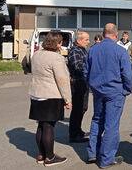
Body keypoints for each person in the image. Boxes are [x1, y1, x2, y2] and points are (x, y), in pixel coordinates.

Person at [85, 23, 132, 168]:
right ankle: (106, 159)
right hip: (114, 91)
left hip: (98, 91)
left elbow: (86, 71)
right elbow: (127, 75)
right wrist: (127, 89)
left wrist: (92, 86)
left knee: (97, 119)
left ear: (103, 33)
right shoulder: (120, 50)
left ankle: (92, 153)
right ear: (116, 35)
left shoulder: (92, 50)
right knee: (111, 125)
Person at [29, 32, 72, 166]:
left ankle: (41, 154)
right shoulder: (56, 58)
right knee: (49, 126)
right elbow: (62, 80)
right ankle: (50, 157)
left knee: (41, 125)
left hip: (36, 93)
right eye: (60, 42)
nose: (62, 45)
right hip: (50, 95)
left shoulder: (36, 55)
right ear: (57, 43)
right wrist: (68, 99)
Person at [67, 31, 90, 143]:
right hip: (77, 83)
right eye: (86, 40)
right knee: (77, 109)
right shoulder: (75, 50)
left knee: (83, 108)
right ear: (79, 40)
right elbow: (78, 66)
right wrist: (90, 69)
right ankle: (74, 134)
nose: (88, 42)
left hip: (83, 82)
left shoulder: (82, 50)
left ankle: (78, 130)